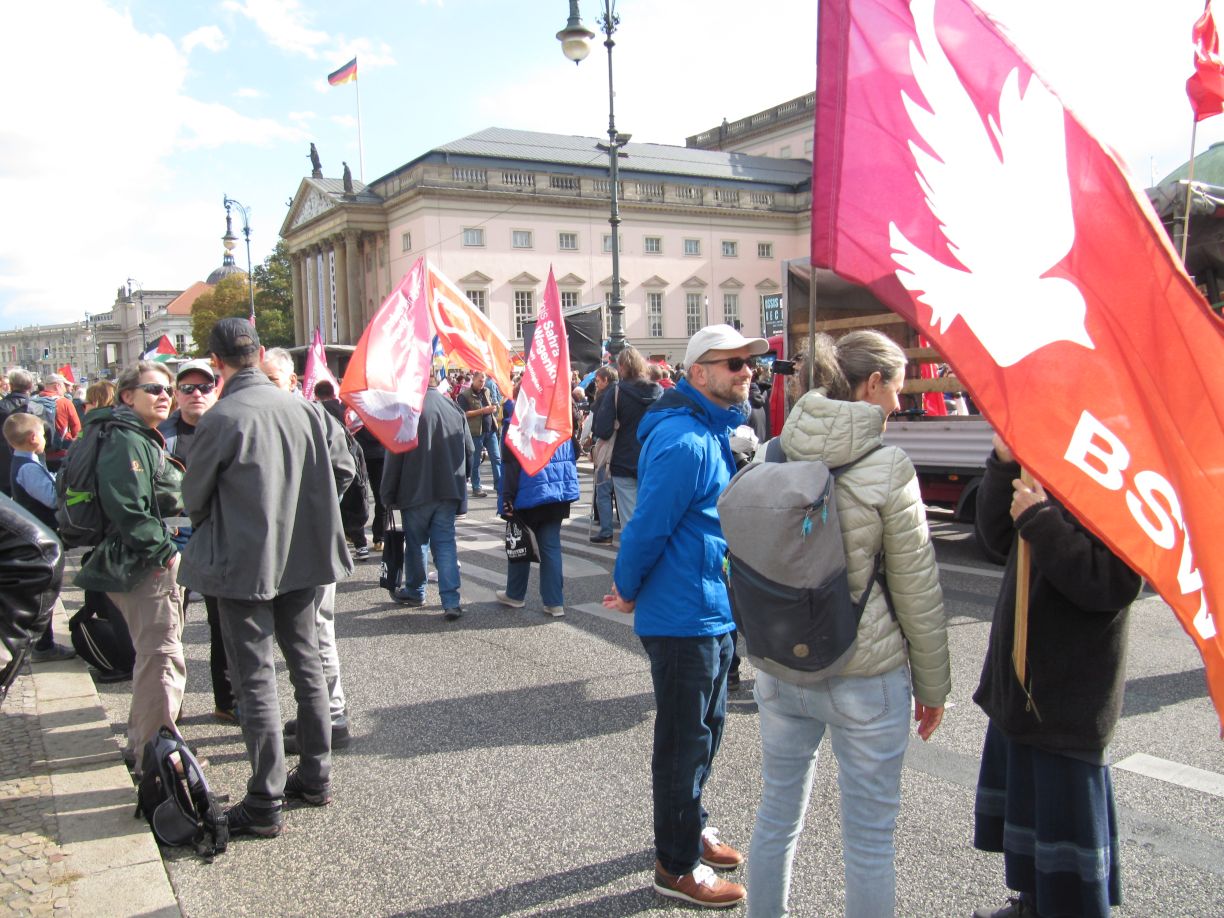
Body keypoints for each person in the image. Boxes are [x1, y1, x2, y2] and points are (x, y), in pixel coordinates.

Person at [744, 331, 950, 918]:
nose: (898, 404)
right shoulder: (888, 466)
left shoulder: (772, 452)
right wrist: (933, 687)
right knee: (868, 842)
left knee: (776, 816)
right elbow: (915, 588)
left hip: (781, 664)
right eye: (897, 390)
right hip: (865, 673)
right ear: (872, 384)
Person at [603, 324, 769, 909]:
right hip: (682, 616)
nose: (747, 372)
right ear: (698, 373)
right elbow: (647, 526)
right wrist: (626, 589)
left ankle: (689, 824)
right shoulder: (684, 440)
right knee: (683, 744)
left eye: (749, 362)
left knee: (706, 733)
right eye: (733, 363)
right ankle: (675, 865)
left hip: (709, 608)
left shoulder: (708, 430)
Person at [179, 318, 355, 838]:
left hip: (243, 561)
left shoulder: (221, 416)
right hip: (301, 555)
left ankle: (265, 798)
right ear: (258, 353)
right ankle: (316, 776)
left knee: (255, 676)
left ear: (216, 363)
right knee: (306, 663)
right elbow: (343, 470)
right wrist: (308, 513)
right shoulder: (305, 408)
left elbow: (194, 498)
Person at [971, 435, 1141, 918]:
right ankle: (1033, 905)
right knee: (1032, 823)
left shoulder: (1119, 472)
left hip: (1069, 692)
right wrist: (1005, 464)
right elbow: (997, 539)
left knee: (1067, 844)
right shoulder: (1046, 456)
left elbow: (1113, 582)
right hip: (1023, 683)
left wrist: (1040, 521)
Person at [74, 361, 185, 772]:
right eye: (154, 389)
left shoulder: (129, 433)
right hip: (142, 564)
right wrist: (164, 552)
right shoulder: (125, 439)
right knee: (161, 659)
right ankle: (158, 760)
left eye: (168, 389)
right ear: (127, 395)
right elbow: (129, 509)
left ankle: (143, 744)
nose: (164, 396)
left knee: (152, 658)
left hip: (138, 559)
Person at [262, 348, 353, 753]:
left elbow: (344, 470)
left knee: (316, 628)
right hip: (280, 546)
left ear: (292, 381)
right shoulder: (264, 417)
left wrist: (316, 510)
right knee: (300, 635)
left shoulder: (315, 416)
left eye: (272, 380)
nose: (265, 388)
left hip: (311, 543)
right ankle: (316, 713)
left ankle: (332, 718)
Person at [158, 359, 234, 723]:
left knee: (223, 623)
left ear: (215, 390)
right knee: (171, 626)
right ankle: (170, 707)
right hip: (175, 538)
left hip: (219, 536)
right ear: (177, 394)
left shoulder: (229, 427)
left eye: (204, 387)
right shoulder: (161, 435)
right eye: (187, 388)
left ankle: (227, 700)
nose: (196, 394)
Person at [381, 374, 472, 620]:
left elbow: (394, 456)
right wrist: (462, 480)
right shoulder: (453, 407)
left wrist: (387, 493)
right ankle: (451, 601)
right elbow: (470, 450)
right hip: (447, 490)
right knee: (445, 545)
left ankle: (416, 591)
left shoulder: (407, 410)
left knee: (416, 543)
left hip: (415, 490)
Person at [496, 382, 580, 618]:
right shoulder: (559, 417)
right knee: (550, 546)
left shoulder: (516, 423)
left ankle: (515, 594)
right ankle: (554, 602)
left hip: (527, 490)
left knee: (520, 542)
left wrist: (507, 497)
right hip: (557, 490)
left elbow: (510, 464)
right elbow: (575, 451)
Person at [3, 413, 76, 662]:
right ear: (33, 438)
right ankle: (43, 646)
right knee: (45, 593)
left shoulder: (26, 462)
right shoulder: (28, 468)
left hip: (38, 536)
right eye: (44, 435)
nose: (46, 439)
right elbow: (51, 499)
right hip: (40, 537)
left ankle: (43, 644)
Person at [591, 345, 661, 527]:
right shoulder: (658, 392)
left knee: (630, 521)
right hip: (654, 459)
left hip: (624, 461)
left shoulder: (617, 392)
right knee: (651, 517)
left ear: (621, 367)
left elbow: (603, 430)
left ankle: (635, 545)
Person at [0, 369, 53, 498]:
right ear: (30, 386)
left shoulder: (2, 406)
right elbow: (50, 434)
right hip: (35, 457)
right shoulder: (38, 407)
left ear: (11, 385)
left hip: (5, 462)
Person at [585, 366, 618, 544]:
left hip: (609, 449)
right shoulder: (622, 393)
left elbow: (600, 429)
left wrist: (591, 438)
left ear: (606, 380)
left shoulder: (605, 398)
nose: (596, 384)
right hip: (627, 450)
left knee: (603, 491)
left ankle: (606, 532)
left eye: (598, 381)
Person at [456, 370, 501, 498]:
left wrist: (493, 408)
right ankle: (476, 487)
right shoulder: (464, 395)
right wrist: (483, 411)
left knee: (496, 458)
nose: (482, 383)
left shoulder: (486, 391)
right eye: (480, 381)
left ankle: (499, 486)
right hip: (476, 432)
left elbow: (491, 405)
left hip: (490, 430)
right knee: (475, 461)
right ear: (474, 379)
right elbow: (464, 414)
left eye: (484, 381)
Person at [34, 373, 82, 470]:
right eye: (64, 385)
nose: (65, 389)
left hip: (38, 453)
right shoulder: (65, 402)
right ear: (57, 386)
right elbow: (77, 429)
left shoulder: (33, 401)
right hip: (61, 453)